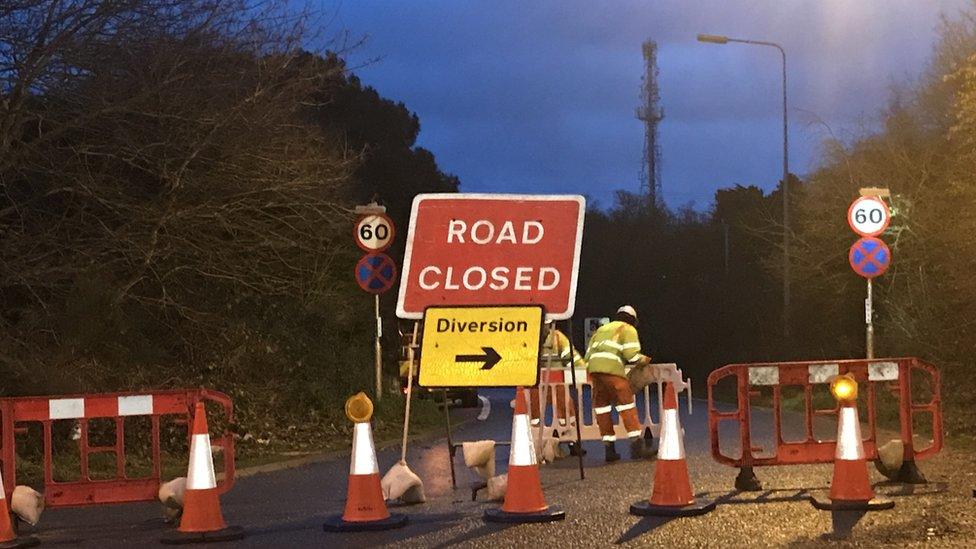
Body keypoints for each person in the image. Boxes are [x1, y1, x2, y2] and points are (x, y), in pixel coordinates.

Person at [585, 305, 653, 462]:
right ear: (632, 320)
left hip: (594, 371)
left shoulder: (602, 329)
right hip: (612, 371)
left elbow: (588, 355)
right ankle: (637, 446)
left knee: (602, 409)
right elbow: (632, 355)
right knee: (626, 405)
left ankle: (609, 450)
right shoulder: (628, 329)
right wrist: (645, 360)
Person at [528, 320, 586, 456]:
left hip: (553, 385)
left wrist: (581, 372)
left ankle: (571, 441)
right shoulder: (531, 338)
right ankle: (535, 443)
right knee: (534, 413)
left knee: (566, 411)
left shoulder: (556, 338)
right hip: (535, 385)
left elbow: (571, 357)